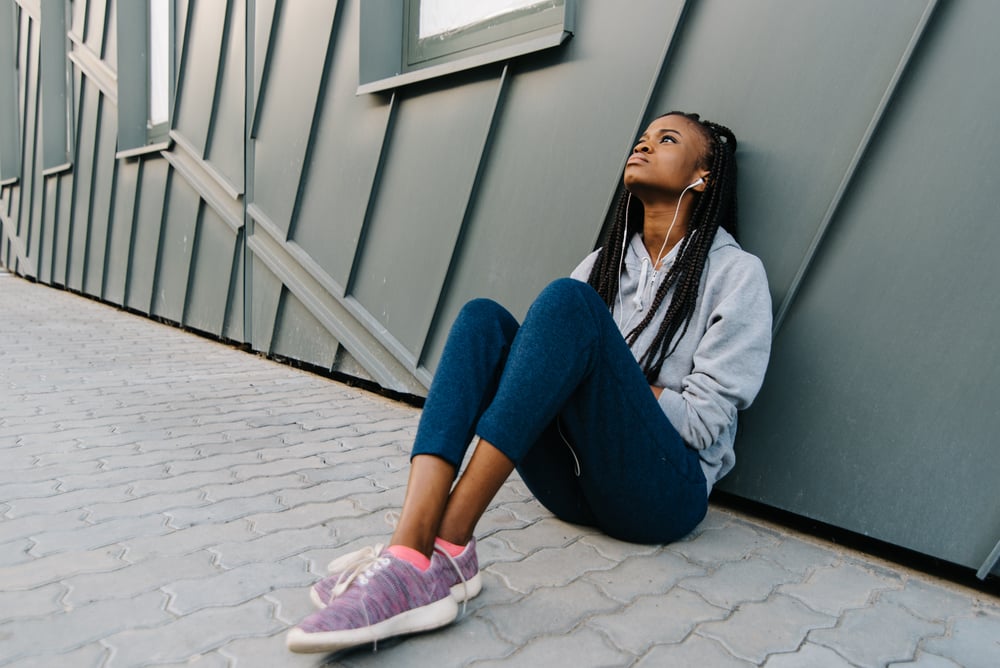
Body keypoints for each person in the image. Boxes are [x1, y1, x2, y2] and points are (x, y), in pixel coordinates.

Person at [286, 111, 772, 654]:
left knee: (569, 305)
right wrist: (582, 376)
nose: (643, 145)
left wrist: (612, 383)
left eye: (667, 139)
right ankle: (411, 547)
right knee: (481, 320)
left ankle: (443, 544)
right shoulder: (605, 264)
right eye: (642, 137)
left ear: (702, 178)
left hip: (663, 499)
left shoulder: (736, 275)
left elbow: (706, 422)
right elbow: (549, 367)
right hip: (575, 490)